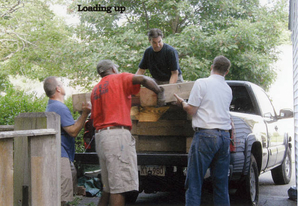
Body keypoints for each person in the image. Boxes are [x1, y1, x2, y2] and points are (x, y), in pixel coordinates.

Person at [91, 59, 165, 206]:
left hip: (101, 137)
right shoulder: (119, 78)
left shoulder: (96, 89)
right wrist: (159, 92)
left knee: (108, 188)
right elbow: (143, 78)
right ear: (113, 69)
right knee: (119, 188)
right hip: (117, 137)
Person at [174, 56, 232, 206]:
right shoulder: (228, 89)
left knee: (194, 182)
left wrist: (182, 103)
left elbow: (192, 110)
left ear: (211, 66)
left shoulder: (202, 83)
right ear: (227, 71)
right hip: (225, 136)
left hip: (206, 135)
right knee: (221, 185)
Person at [43, 76, 91, 206]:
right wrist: (85, 114)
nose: (64, 85)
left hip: (61, 154)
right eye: (62, 83)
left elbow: (69, 127)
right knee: (63, 197)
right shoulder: (60, 107)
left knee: (71, 178)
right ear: (58, 89)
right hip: (60, 155)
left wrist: (82, 116)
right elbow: (73, 131)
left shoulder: (54, 105)